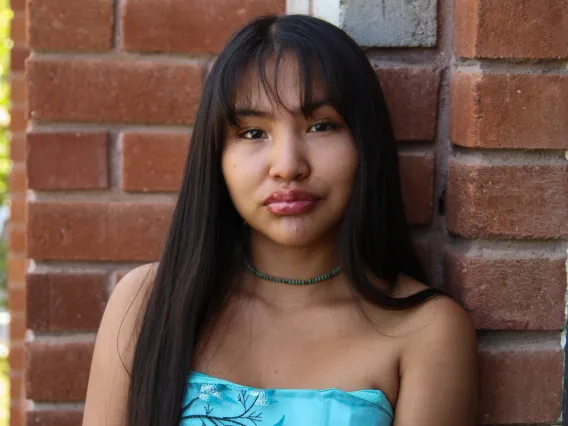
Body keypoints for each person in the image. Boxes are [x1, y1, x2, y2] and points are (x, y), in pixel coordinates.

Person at [83, 14, 478, 426]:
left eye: (321, 125)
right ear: (216, 156)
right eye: (253, 133)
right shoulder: (148, 304)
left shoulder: (425, 331)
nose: (287, 166)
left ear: (366, 143)